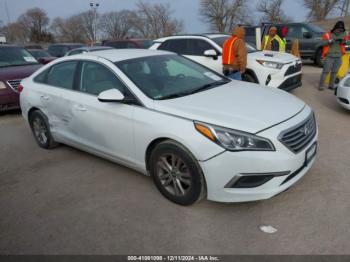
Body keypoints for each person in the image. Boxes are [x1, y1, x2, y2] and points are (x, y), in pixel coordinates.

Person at [319, 21, 348, 90]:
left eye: (341, 29)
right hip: (329, 56)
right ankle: (321, 86)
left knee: (334, 72)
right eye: (338, 29)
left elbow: (347, 42)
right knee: (325, 71)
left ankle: (331, 85)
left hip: (339, 57)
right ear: (335, 28)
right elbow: (322, 44)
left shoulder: (344, 35)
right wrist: (329, 41)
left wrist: (344, 42)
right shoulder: (328, 34)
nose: (339, 30)